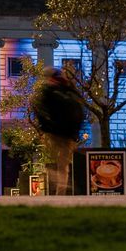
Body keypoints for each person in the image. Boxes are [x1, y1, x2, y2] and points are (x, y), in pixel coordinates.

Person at [31, 67, 86, 195]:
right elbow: (79, 113)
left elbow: (40, 110)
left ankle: (60, 186)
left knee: (54, 161)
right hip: (66, 133)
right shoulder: (71, 92)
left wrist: (45, 126)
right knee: (62, 163)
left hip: (55, 132)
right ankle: (61, 188)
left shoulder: (50, 92)